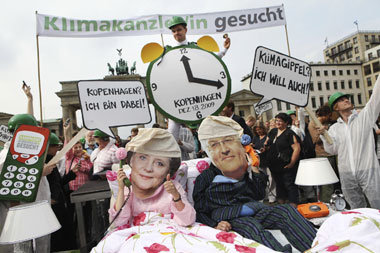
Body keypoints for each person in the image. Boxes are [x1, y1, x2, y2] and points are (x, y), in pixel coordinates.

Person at [193, 116, 316, 253]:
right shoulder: (206, 177)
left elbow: (259, 194)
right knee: (251, 226)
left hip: (254, 210)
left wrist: (255, 169)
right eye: (214, 145)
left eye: (228, 141)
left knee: (286, 210)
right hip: (230, 216)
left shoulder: (243, 171)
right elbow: (199, 209)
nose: (224, 149)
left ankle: (319, 247)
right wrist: (214, 224)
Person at [110, 128, 195, 228]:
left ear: (169, 171)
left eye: (159, 163)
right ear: (131, 161)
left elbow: (188, 220)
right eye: (143, 158)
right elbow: (118, 222)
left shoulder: (174, 187)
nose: (148, 168)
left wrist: (176, 196)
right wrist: (121, 190)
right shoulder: (129, 188)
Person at [318, 76, 380, 209]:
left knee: (377, 205)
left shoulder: (364, 117)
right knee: (356, 208)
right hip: (346, 174)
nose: (346, 100)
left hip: (368, 171)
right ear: (336, 107)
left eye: (346, 98)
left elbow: (376, 98)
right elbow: (332, 150)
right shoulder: (334, 128)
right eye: (341, 100)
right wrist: (324, 135)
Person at [46, 133, 77, 251]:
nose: (57, 150)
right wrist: (52, 198)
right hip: (54, 208)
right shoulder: (44, 165)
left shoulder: (51, 163)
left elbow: (58, 183)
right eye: (55, 147)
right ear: (48, 147)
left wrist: (71, 174)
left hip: (60, 205)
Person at [264, 113, 301, 207]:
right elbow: (266, 144)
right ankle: (282, 206)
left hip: (286, 165)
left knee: (289, 185)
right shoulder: (272, 132)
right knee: (279, 185)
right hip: (274, 166)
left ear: (286, 122)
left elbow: (297, 149)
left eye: (280, 121)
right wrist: (263, 148)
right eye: (276, 120)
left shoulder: (289, 133)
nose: (278, 122)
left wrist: (292, 163)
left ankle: (293, 207)